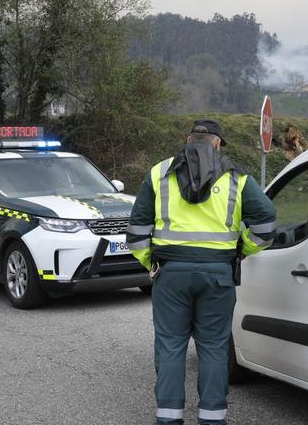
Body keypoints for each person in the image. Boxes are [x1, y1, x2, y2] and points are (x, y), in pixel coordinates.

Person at [126, 119, 277, 425]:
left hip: (170, 274)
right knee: (213, 349)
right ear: (218, 143)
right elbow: (266, 224)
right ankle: (212, 418)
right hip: (218, 275)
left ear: (188, 139)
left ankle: (168, 419)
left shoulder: (159, 173)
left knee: (170, 347)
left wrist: (151, 265)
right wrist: (241, 250)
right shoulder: (237, 176)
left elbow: (136, 232)